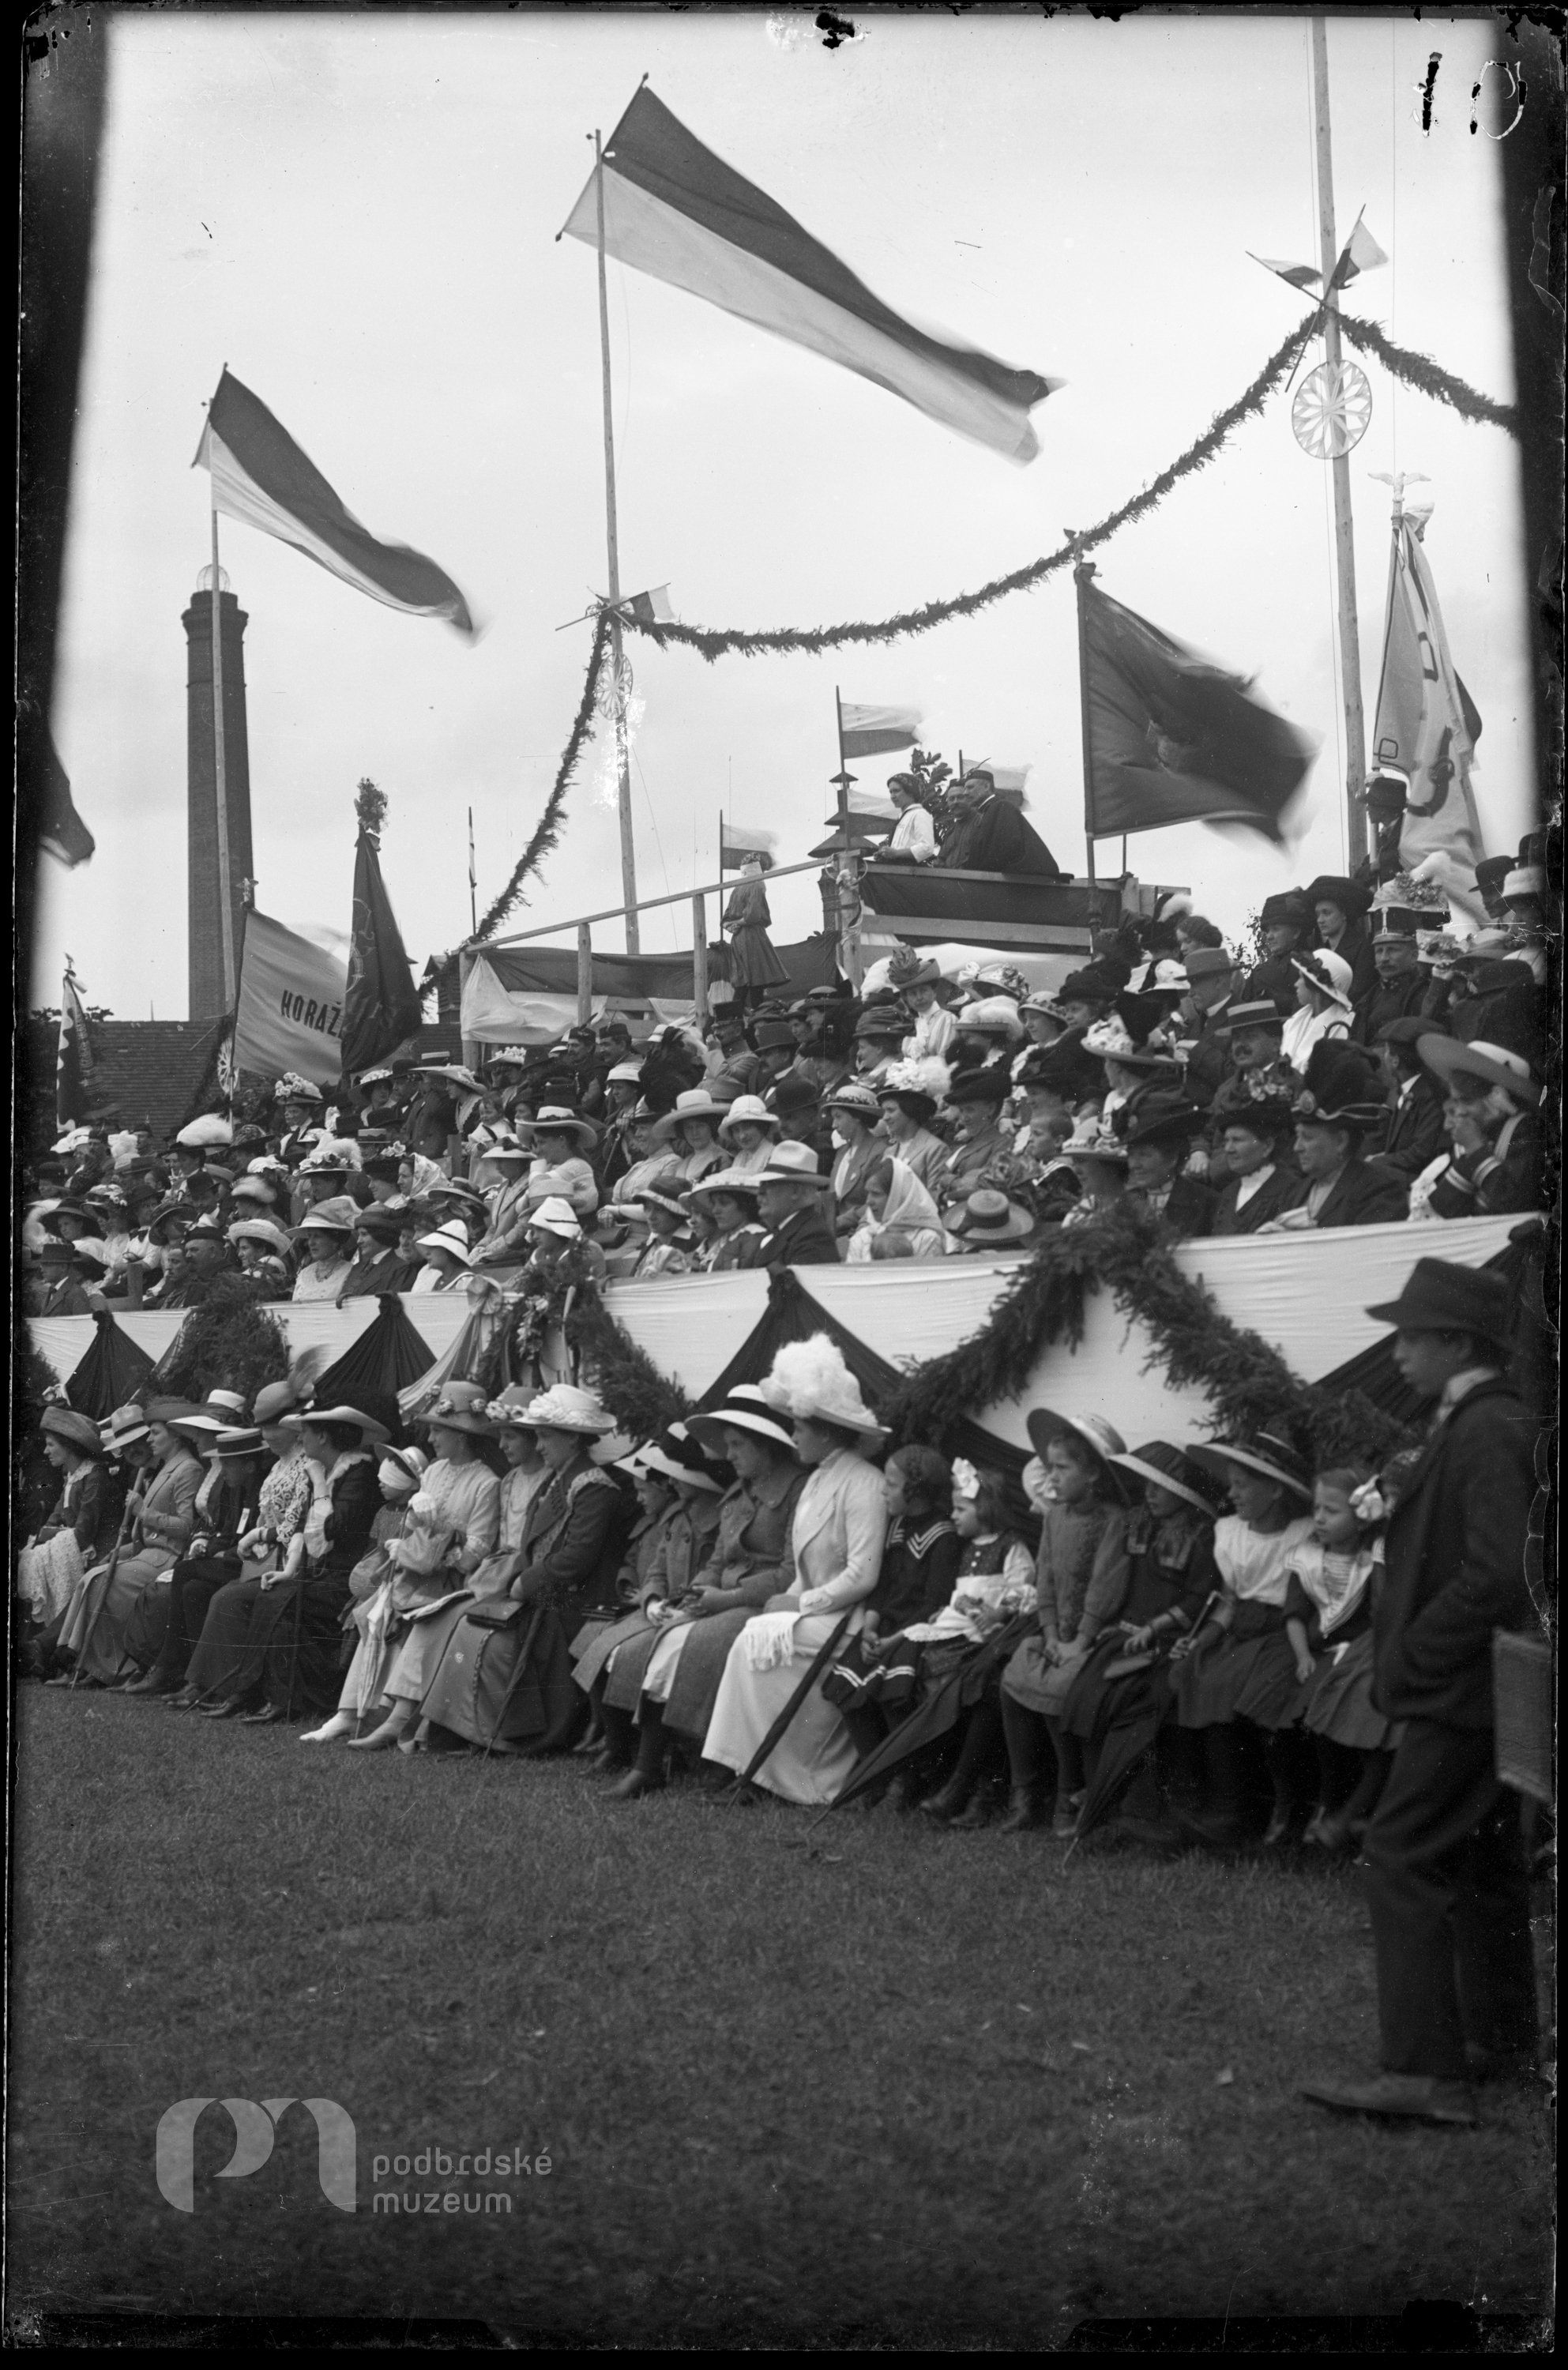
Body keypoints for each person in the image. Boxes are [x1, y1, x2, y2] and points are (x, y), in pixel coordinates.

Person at [1302, 1259, 1539, 2127]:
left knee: (1399, 1853)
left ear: (1456, 1344)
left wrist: (1411, 1654)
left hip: (1461, 1687)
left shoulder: (1486, 1428)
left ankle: (1422, 2072)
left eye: (1409, 1337)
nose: (1396, 1352)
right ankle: (1499, 2039)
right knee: (1479, 1858)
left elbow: (1497, 1573)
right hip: (1478, 1685)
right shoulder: (1480, 1421)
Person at [702, 1339, 889, 1805]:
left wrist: (799, 1603)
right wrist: (785, 1603)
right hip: (815, 1614)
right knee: (756, 1638)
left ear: (826, 1433)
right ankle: (748, 1767)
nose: (794, 1436)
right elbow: (803, 1567)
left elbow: (863, 1575)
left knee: (751, 1641)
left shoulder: (864, 1482)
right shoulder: (817, 1481)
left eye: (800, 1428)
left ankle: (756, 1770)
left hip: (846, 1619)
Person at [411, 1384, 632, 1756]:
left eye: (546, 1436)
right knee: (471, 1623)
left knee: (494, 1637)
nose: (540, 1446)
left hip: (578, 1599)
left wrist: (523, 1585)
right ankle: (466, 1731)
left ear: (573, 1439)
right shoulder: (558, 1479)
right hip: (550, 1590)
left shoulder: (595, 1487)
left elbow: (575, 1559)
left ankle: (504, 1733)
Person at [612, 1387, 807, 1789]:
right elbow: (718, 1561)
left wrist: (727, 1599)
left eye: (737, 1445)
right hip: (722, 1600)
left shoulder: (797, 1491)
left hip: (763, 1603)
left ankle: (708, 1763)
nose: (728, 1455)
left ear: (765, 1445)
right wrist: (696, 1592)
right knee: (658, 1641)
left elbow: (790, 1572)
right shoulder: (740, 1492)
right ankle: (648, 1763)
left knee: (695, 1643)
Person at [1165, 1432, 1316, 1847]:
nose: (1231, 1494)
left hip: (1283, 1633)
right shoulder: (1229, 1531)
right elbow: (1228, 1602)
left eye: (1242, 1485)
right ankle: (1205, 1803)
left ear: (1275, 1490)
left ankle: (1239, 1811)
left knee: (1226, 1685)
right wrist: (1201, 1640)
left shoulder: (1302, 1534)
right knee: (1190, 1673)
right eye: (1230, 1484)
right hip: (1239, 1631)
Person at [202, 1402, 388, 1724]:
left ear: (324, 1437)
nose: (301, 1438)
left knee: (276, 1602)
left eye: (306, 1432)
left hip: (346, 1580)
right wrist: (289, 1570)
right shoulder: (324, 1469)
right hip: (317, 1574)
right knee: (271, 1596)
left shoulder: (359, 1473)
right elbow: (303, 1526)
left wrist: (319, 1484)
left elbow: (331, 1530)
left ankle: (261, 1696)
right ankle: (261, 1695)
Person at [998, 1413, 1131, 1835]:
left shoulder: (1113, 1520)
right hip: (1057, 1633)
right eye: (1049, 1467)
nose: (1052, 1477)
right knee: (1015, 1677)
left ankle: (1068, 1792)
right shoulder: (1055, 1518)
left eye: (1062, 1467)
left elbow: (1105, 1587)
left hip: (1097, 1637)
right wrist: (1052, 1634)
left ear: (1092, 1474)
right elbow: (1047, 1579)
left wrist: (1079, 1640)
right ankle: (1025, 1793)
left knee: (1060, 1686)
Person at [51, 1400, 205, 1687]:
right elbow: (143, 1536)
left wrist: (143, 1513)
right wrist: (119, 1550)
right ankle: (84, 1664)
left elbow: (186, 1526)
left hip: (167, 1557)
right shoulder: (161, 1468)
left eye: (154, 1434)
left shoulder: (188, 1469)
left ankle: (102, 1667)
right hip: (146, 1553)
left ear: (175, 1435)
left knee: (101, 1582)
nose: (148, 1441)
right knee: (92, 1576)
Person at [1265, 1048, 1408, 1230]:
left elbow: (1371, 1246)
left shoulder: (1380, 1189)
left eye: (1307, 1137)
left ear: (1341, 1141)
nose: (1297, 1147)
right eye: (1298, 1136)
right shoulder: (1294, 1193)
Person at [1408, 1036, 1541, 1220]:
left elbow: (1512, 1204)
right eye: (1456, 1101)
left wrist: (1476, 1148)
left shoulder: (1527, 1131)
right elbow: (1445, 1207)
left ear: (1498, 1100)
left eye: (1468, 1101)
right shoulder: (1477, 1133)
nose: (1460, 1112)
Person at [17, 1405, 120, 1635]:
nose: (46, 1451)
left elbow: (84, 1532)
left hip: (100, 1552)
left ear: (69, 1445)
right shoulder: (73, 1475)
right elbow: (56, 1516)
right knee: (26, 1561)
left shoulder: (95, 1475)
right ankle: (30, 1640)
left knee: (35, 1565)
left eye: (51, 1445)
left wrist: (46, 1544)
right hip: (77, 1546)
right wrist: (41, 1540)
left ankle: (41, 1642)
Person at [938, 768, 1062, 877]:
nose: (965, 793)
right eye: (965, 789)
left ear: (986, 787)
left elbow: (1003, 850)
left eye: (970, 788)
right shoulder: (990, 810)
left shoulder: (1001, 807)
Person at [1119, 1098, 1213, 1236]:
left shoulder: (1205, 1203)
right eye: (1131, 1155)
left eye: (1144, 1155)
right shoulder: (1126, 1204)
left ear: (1172, 1159)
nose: (1134, 1165)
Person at [1207, 1100, 1299, 1235]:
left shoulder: (1291, 1190)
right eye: (1226, 1141)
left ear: (1267, 1146)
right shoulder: (1228, 1194)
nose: (1228, 1149)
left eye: (1237, 1140)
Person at [746, 1140, 839, 1267]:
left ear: (796, 1191)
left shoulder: (813, 1238)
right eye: (762, 1184)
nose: (760, 1191)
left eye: (769, 1183)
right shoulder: (783, 1232)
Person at [845, 1157, 946, 1262]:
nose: (868, 1201)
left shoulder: (926, 1239)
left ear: (897, 1197)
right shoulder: (862, 1237)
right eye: (868, 1193)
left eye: (876, 1194)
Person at [874, 1062, 952, 1198]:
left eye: (891, 1110)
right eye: (884, 1111)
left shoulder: (935, 1149)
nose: (885, 1118)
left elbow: (934, 1196)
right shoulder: (889, 1152)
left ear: (910, 1110)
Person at [720, 852, 790, 1005]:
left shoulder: (737, 889)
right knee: (757, 981)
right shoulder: (757, 884)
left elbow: (724, 920)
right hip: (753, 936)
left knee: (743, 981)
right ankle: (757, 1014)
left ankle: (735, 1015)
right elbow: (752, 916)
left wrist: (731, 926)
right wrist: (737, 923)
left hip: (737, 939)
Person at [1305, 875, 1377, 1006]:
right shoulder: (1319, 952)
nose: (1320, 920)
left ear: (1344, 914)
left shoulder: (1364, 949)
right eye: (1318, 914)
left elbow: (1358, 993)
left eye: (1326, 913)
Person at [1281, 949, 1355, 1074]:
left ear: (1315, 987)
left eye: (1300, 978)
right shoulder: (1295, 1021)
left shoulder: (1344, 1024)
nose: (1296, 984)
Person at [1243, 891, 1313, 1014]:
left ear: (1296, 933)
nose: (1269, 936)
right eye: (1267, 931)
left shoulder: (1310, 965)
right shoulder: (1259, 972)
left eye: (1276, 929)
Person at [686, 1171, 765, 1272]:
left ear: (745, 1205)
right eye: (713, 1203)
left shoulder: (753, 1237)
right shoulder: (730, 1238)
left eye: (724, 1203)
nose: (715, 1210)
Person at [626, 1172, 698, 1277]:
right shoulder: (653, 1241)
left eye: (659, 1210)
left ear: (677, 1213)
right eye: (647, 1208)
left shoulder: (694, 1244)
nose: (651, 1216)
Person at [289, 1200, 358, 1301]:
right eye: (310, 1236)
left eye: (317, 1236)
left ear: (334, 1241)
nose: (311, 1243)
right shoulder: (304, 1273)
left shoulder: (350, 1273)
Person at [874, 773, 938, 864]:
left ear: (910, 792)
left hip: (910, 869)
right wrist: (886, 854)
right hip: (898, 869)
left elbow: (927, 848)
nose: (892, 796)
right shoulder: (903, 817)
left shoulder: (920, 814)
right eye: (891, 792)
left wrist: (896, 853)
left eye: (896, 791)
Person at [716, 1094, 783, 1178]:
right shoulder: (740, 1158)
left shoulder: (773, 1156)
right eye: (736, 1130)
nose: (742, 1136)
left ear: (761, 1127)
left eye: (746, 1127)